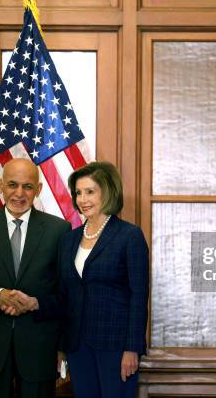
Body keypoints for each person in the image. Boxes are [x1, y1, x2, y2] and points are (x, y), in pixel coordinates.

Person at [0, 158, 70, 398]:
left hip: (40, 348)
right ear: (0, 185)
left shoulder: (59, 230)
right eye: (12, 185)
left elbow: (65, 293)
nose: (19, 194)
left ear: (38, 189)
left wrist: (34, 304)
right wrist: (1, 297)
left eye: (28, 187)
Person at [57, 161, 149, 397]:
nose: (82, 199)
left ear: (107, 192)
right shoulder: (69, 239)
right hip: (77, 347)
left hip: (116, 347)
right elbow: (65, 294)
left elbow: (138, 297)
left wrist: (132, 349)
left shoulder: (129, 235)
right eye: (78, 193)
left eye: (90, 192)